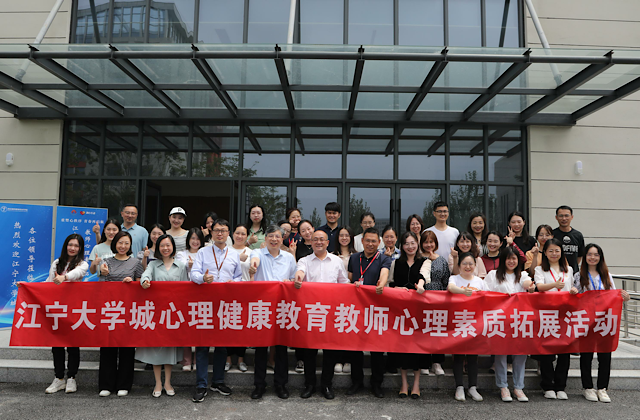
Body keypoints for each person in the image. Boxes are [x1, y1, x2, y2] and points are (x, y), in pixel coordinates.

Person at [570, 243, 630, 403]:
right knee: (586, 355)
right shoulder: (579, 275)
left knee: (605, 355)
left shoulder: (606, 275)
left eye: (596, 254)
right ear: (585, 257)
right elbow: (574, 297)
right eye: (589, 254)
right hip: (586, 321)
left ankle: (602, 388)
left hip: (604, 320)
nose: (592, 257)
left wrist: (624, 297)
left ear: (600, 257)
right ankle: (588, 388)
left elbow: (614, 295)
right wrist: (573, 292)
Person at [294, 229, 350, 399]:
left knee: (329, 351)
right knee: (309, 351)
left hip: (331, 312)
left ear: (327, 242)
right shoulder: (304, 260)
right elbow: (300, 272)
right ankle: (310, 384)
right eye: (315, 239)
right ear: (311, 242)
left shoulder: (336, 261)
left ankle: (326, 384)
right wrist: (298, 278)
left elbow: (344, 283)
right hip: (311, 313)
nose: (318, 242)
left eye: (322, 239)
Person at [190, 219, 241, 403]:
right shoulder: (203, 252)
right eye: (217, 230)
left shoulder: (234, 254)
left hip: (225, 305)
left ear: (228, 234)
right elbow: (193, 274)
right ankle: (201, 385)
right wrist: (203, 279)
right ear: (211, 233)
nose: (220, 233)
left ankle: (218, 382)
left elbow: (239, 276)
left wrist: (234, 282)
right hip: (205, 304)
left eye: (223, 231)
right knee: (202, 346)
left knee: (222, 346)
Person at [248, 225, 297, 400]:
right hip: (263, 307)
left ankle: (281, 384)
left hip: (282, 306)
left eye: (277, 236)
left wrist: (289, 281)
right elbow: (254, 261)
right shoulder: (258, 253)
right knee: (261, 348)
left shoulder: (289, 257)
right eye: (270, 236)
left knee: (281, 347)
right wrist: (253, 267)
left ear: (282, 238)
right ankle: (259, 385)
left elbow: (294, 278)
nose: (274, 239)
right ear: (266, 238)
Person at [137, 235, 188, 397]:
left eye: (168, 245)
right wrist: (145, 282)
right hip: (157, 312)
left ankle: (168, 382)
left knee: (170, 348)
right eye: (162, 245)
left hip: (173, 313)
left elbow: (186, 288)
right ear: (158, 248)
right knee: (156, 348)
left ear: (173, 247)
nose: (165, 248)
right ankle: (158, 382)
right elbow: (145, 275)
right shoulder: (153, 264)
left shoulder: (181, 266)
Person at [98, 231, 144, 397]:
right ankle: (106, 384)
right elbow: (101, 286)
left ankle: (124, 384)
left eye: (126, 243)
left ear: (130, 245)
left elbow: (141, 286)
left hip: (128, 310)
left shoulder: (136, 263)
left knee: (126, 348)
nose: (123, 246)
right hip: (110, 309)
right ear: (114, 243)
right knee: (107, 347)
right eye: (120, 242)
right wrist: (102, 274)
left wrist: (132, 283)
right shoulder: (106, 262)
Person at [347, 227, 391, 398]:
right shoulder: (354, 258)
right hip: (356, 308)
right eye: (367, 240)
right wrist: (352, 285)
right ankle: (356, 381)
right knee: (355, 348)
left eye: (374, 241)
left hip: (376, 308)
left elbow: (384, 273)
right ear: (362, 241)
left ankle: (376, 383)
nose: (370, 244)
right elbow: (349, 279)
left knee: (376, 348)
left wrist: (382, 284)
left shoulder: (383, 258)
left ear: (379, 242)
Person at [483, 247, 531, 403]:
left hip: (519, 320)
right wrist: (501, 297)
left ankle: (519, 387)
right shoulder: (493, 275)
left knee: (521, 354)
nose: (511, 261)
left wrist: (530, 286)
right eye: (508, 258)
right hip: (500, 320)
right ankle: (503, 386)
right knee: (501, 353)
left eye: (514, 258)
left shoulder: (522, 275)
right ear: (503, 260)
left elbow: (527, 283)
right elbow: (485, 293)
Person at [43, 234, 88, 394]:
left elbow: (77, 273)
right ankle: (59, 378)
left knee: (73, 345)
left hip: (74, 309)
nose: (72, 248)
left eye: (76, 246)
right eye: (70, 245)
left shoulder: (83, 264)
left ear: (80, 248)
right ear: (65, 246)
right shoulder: (57, 263)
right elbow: (49, 282)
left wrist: (64, 277)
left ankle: (72, 378)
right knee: (57, 345)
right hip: (57, 308)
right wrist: (27, 286)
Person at [529, 237, 573, 400]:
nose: (554, 254)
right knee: (546, 350)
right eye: (551, 251)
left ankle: (561, 386)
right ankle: (547, 385)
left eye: (557, 250)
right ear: (545, 253)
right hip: (547, 314)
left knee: (565, 351)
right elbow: (539, 286)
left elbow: (570, 288)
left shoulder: (569, 269)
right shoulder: (540, 269)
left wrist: (573, 290)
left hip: (565, 314)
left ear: (561, 252)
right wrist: (554, 285)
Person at [391, 232, 427, 399]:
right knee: (402, 348)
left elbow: (424, 277)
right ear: (402, 246)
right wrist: (397, 289)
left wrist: (420, 285)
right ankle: (404, 383)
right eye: (406, 243)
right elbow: (390, 283)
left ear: (417, 244)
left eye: (413, 243)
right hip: (400, 311)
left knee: (417, 348)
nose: (410, 246)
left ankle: (416, 384)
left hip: (418, 311)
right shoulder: (396, 262)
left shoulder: (424, 261)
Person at [447, 252, 486, 402]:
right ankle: (459, 387)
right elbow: (450, 288)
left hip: (475, 323)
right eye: (464, 263)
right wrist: (463, 291)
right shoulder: (455, 278)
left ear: (475, 266)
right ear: (459, 266)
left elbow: (488, 296)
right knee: (458, 355)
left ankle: (473, 387)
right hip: (458, 322)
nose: (468, 266)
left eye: (471, 264)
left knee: (473, 356)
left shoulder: (479, 281)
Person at [418, 230, 449, 376]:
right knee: (423, 331)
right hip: (421, 297)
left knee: (437, 330)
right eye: (426, 242)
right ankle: (424, 362)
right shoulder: (418, 258)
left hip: (438, 297)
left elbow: (446, 280)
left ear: (436, 244)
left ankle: (437, 362)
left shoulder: (441, 260)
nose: (428, 245)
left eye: (431, 242)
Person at [175, 227, 205, 371]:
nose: (195, 241)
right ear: (188, 240)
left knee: (200, 327)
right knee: (186, 327)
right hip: (185, 294)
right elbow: (179, 266)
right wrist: (189, 265)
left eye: (198, 239)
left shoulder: (205, 253)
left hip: (202, 294)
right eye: (193, 238)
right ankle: (186, 360)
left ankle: (198, 360)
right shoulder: (182, 254)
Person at [226, 223, 253, 373]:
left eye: (243, 234)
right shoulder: (226, 251)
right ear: (232, 234)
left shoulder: (252, 252)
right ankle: (228, 359)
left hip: (245, 293)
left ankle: (241, 359)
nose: (240, 236)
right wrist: (238, 257)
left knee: (242, 326)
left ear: (247, 236)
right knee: (228, 326)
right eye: (237, 233)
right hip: (228, 293)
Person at [332, 225, 356, 375]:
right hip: (335, 297)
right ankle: (337, 360)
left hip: (352, 297)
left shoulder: (357, 255)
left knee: (349, 328)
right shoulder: (331, 255)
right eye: (341, 235)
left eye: (347, 235)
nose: (344, 238)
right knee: (337, 329)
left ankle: (348, 360)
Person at [553, 205, 585, 274]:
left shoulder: (578, 235)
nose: (564, 218)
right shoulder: (552, 234)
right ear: (556, 217)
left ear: (572, 217)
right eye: (561, 216)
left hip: (573, 273)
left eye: (566, 216)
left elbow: (579, 256)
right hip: (555, 273)